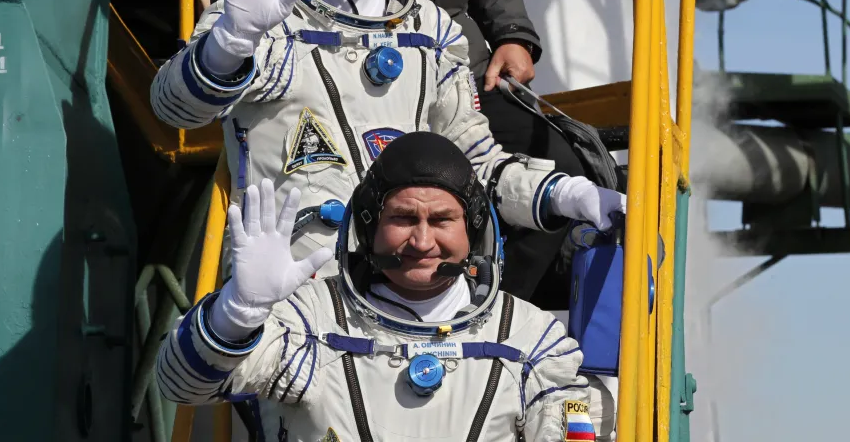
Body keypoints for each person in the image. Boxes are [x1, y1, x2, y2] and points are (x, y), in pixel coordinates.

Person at [151, 0, 623, 281]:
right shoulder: (265, 28)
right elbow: (177, 108)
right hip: (295, 301)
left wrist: (568, 194)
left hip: (407, 310)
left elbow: (476, 165)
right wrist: (232, 41)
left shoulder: (433, 34)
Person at [155, 131, 615, 440]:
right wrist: (237, 314)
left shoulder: (530, 339)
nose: (421, 239)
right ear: (370, 226)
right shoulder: (310, 320)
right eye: (402, 218)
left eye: (441, 220)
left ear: (473, 229)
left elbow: (568, 424)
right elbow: (180, 384)